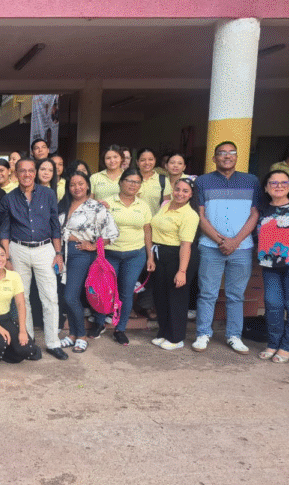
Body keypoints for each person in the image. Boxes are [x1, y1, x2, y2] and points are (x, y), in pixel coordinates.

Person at [192, 141, 262, 354]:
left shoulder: (251, 180)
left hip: (242, 248)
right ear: (214, 158)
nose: (227, 156)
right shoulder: (203, 181)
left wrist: (236, 241)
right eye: (222, 153)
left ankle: (234, 336)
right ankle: (203, 333)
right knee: (207, 293)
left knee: (236, 295)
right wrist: (220, 240)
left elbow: (255, 214)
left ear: (237, 157)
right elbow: (200, 215)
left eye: (232, 152)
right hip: (210, 247)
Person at [0, 157, 67, 360]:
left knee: (50, 298)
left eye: (30, 170)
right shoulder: (8, 199)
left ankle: (53, 342)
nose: (27, 174)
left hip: (45, 248)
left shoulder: (48, 194)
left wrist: (58, 253)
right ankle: (27, 340)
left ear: (35, 173)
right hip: (18, 249)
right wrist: (7, 258)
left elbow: (55, 225)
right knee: (22, 298)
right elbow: (4, 230)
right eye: (22, 171)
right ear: (16, 173)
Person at [89, 169, 154, 345]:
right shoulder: (107, 202)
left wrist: (150, 257)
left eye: (137, 182)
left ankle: (120, 329)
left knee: (126, 292)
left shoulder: (143, 206)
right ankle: (99, 323)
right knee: (105, 290)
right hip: (110, 253)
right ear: (121, 182)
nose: (133, 185)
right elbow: (96, 227)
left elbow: (147, 231)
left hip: (135, 255)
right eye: (129, 181)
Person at [57, 172, 119, 352]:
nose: (77, 188)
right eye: (72, 184)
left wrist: (93, 246)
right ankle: (72, 335)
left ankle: (81, 335)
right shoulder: (64, 204)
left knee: (70, 296)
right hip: (62, 253)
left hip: (81, 254)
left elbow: (113, 233)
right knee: (67, 296)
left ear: (87, 186)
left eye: (80, 184)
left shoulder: (96, 207)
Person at [149, 178, 200, 350]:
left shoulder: (190, 215)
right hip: (160, 253)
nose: (180, 194)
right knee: (161, 296)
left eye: (185, 191)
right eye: (177, 189)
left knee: (176, 297)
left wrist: (182, 271)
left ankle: (176, 338)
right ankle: (163, 332)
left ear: (191, 194)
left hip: (179, 256)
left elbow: (186, 245)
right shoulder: (166, 205)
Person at [257, 170, 289, 363]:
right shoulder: (261, 209)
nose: (279, 186)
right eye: (274, 182)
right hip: (269, 265)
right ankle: (273, 343)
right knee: (273, 304)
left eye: (283, 182)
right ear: (266, 187)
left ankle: (288, 346)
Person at [136, 147, 172, 215]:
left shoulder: (163, 181)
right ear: (137, 162)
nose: (147, 163)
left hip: (154, 220)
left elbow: (167, 206)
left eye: (150, 159)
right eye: (143, 160)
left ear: (155, 160)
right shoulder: (130, 179)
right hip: (134, 220)